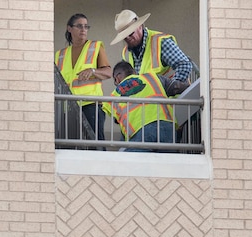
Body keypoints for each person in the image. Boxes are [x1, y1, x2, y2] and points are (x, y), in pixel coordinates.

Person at [55, 13, 111, 141]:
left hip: (91, 104)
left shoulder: (95, 47)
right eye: (79, 26)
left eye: (86, 26)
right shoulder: (60, 55)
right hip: (68, 108)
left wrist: (92, 71)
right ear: (69, 28)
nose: (83, 29)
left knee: (94, 146)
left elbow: (108, 72)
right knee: (70, 147)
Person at [111, 9, 192, 97]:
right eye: (125, 37)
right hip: (148, 106)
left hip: (171, 105)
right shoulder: (126, 54)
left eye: (130, 34)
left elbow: (184, 65)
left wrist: (170, 89)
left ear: (140, 26)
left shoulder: (160, 42)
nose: (128, 38)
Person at [104, 61, 175, 151]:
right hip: (167, 127)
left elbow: (117, 121)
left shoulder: (115, 95)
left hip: (140, 134)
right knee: (168, 163)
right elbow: (177, 87)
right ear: (134, 72)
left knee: (132, 163)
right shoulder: (152, 78)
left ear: (117, 78)